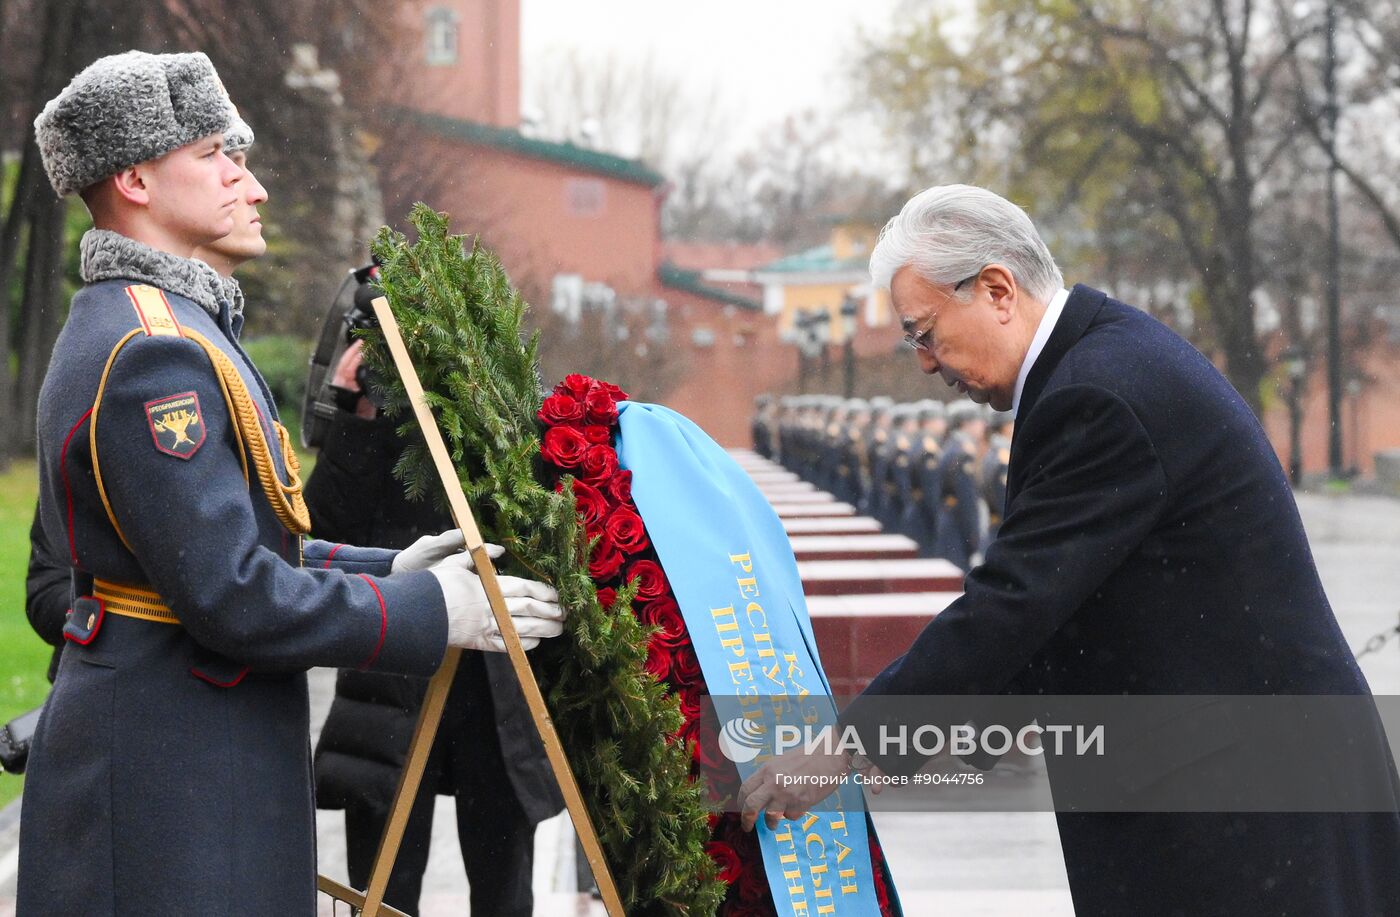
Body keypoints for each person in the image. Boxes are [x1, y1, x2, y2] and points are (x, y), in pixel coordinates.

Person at [738, 184, 1400, 914]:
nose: (926, 362)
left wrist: (839, 750)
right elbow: (1067, 611)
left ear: (996, 289)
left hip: (1253, 816)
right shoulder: (1099, 363)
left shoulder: (1097, 395)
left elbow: (1014, 604)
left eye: (924, 332)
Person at [20, 51, 564, 915]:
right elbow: (232, 592)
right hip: (176, 769)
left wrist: (390, 570)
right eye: (215, 157)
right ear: (136, 178)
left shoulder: (164, 326)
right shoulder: (150, 353)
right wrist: (432, 612)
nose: (252, 184)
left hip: (192, 750)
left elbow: (241, 541)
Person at [309, 334, 563, 916]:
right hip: (392, 681)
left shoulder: (508, 427)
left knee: (503, 886)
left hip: (496, 688)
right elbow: (319, 533)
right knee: (381, 890)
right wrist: (356, 417)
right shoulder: (379, 429)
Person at [929, 400, 988, 570]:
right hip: (957, 525)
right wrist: (974, 536)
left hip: (951, 521)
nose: (983, 425)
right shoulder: (962, 453)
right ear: (965, 424)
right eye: (978, 421)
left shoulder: (955, 447)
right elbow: (967, 499)